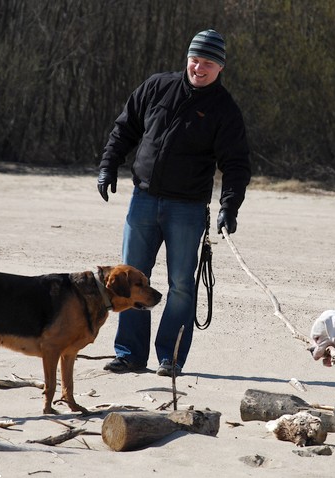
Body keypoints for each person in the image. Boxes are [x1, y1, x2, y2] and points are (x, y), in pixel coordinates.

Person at [96, 29, 251, 376]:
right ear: (187, 58)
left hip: (188, 208)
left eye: (209, 63)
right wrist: (108, 166)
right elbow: (125, 129)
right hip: (143, 200)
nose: (200, 67)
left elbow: (236, 164)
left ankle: (171, 357)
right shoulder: (157, 87)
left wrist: (229, 206)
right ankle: (130, 355)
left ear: (220, 68)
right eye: (196, 59)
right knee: (130, 280)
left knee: (181, 285)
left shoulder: (224, 110)